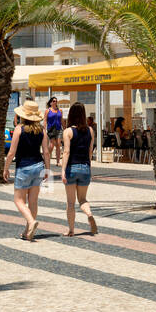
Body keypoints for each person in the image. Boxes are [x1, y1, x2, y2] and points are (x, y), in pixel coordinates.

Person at [3, 98, 50, 241]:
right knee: (33, 201)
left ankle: (30, 222)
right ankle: (28, 232)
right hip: (38, 165)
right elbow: (46, 152)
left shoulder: (19, 129)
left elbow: (11, 152)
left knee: (18, 200)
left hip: (24, 167)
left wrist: (6, 168)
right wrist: (47, 169)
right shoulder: (42, 130)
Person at [61, 102, 97, 236]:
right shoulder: (90, 130)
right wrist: (89, 168)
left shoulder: (68, 131)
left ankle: (71, 230)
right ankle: (89, 214)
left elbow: (66, 152)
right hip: (85, 167)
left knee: (71, 203)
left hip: (72, 168)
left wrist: (63, 170)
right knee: (82, 199)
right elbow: (90, 152)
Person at [45, 97, 63, 169]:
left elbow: (61, 120)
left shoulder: (60, 110)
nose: (55, 102)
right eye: (53, 101)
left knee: (58, 144)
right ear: (50, 103)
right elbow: (45, 120)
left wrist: (65, 128)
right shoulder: (47, 111)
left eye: (56, 101)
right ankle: (46, 159)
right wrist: (44, 128)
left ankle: (58, 161)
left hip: (59, 129)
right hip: (51, 129)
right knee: (52, 145)